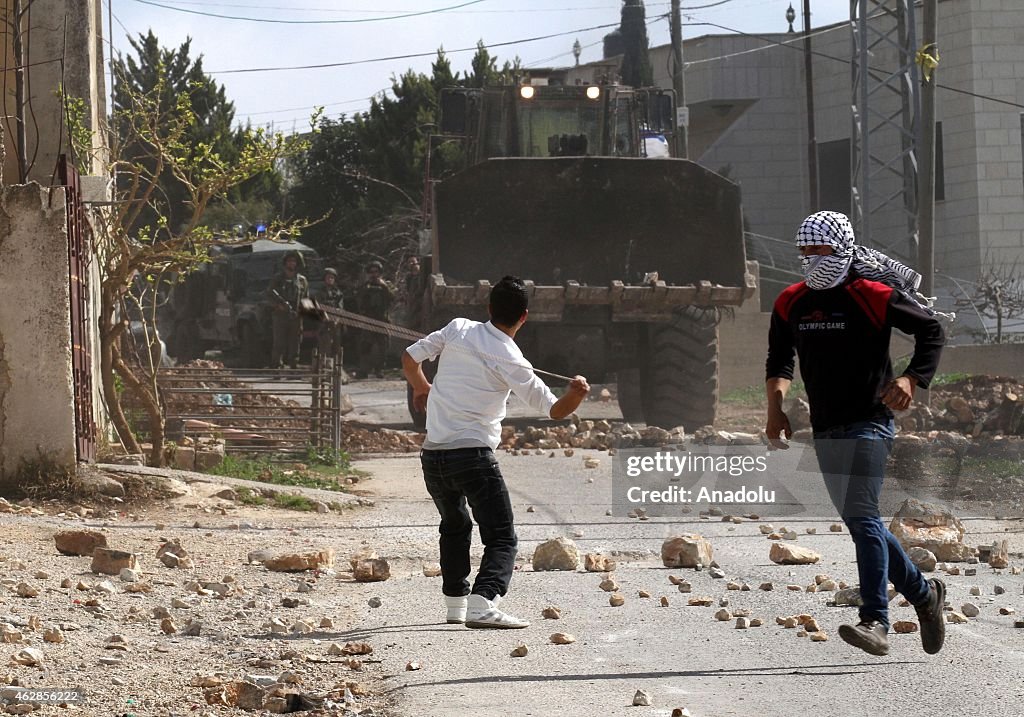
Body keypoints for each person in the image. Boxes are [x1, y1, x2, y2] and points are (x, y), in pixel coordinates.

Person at [765, 211, 947, 657]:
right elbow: (779, 360)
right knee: (860, 521)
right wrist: (775, 409)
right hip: (826, 427)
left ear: (841, 248)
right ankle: (925, 595)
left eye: (820, 249)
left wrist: (911, 380)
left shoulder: (872, 295)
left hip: (871, 421)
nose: (811, 259)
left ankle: (875, 621)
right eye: (805, 250)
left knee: (863, 516)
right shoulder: (792, 301)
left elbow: (932, 329)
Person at [402, 275, 590, 629]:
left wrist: (421, 388)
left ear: (488, 309)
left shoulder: (458, 328)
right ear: (524, 317)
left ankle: (455, 605)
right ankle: (484, 600)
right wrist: (577, 394)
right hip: (473, 457)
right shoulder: (512, 358)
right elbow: (554, 410)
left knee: (454, 526)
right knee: (502, 535)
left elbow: (410, 358)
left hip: (433, 456)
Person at [267, 251, 308, 369]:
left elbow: (306, 298)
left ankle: (293, 366)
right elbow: (269, 295)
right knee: (279, 343)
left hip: (296, 315)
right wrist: (278, 305)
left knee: (295, 343)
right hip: (280, 315)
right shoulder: (278, 278)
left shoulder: (302, 280)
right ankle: (276, 366)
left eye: (294, 261)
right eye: (289, 261)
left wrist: (304, 312)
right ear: (285, 263)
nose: (292, 263)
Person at [355, 260, 395, 378]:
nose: (374, 274)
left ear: (380, 272)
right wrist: (365, 288)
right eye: (371, 272)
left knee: (383, 345)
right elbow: (358, 298)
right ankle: (364, 370)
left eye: (376, 272)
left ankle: (379, 369)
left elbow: (393, 298)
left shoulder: (386, 285)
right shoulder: (365, 285)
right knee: (366, 345)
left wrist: (384, 286)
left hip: (382, 318)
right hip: (369, 318)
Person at [315, 267, 344, 360]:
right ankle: (324, 362)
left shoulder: (338, 293)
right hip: (323, 321)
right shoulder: (319, 292)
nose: (330, 279)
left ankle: (336, 364)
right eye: (328, 277)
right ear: (324, 279)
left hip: (335, 321)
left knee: (336, 343)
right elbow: (318, 306)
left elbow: (340, 306)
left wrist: (337, 315)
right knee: (325, 343)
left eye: (332, 277)